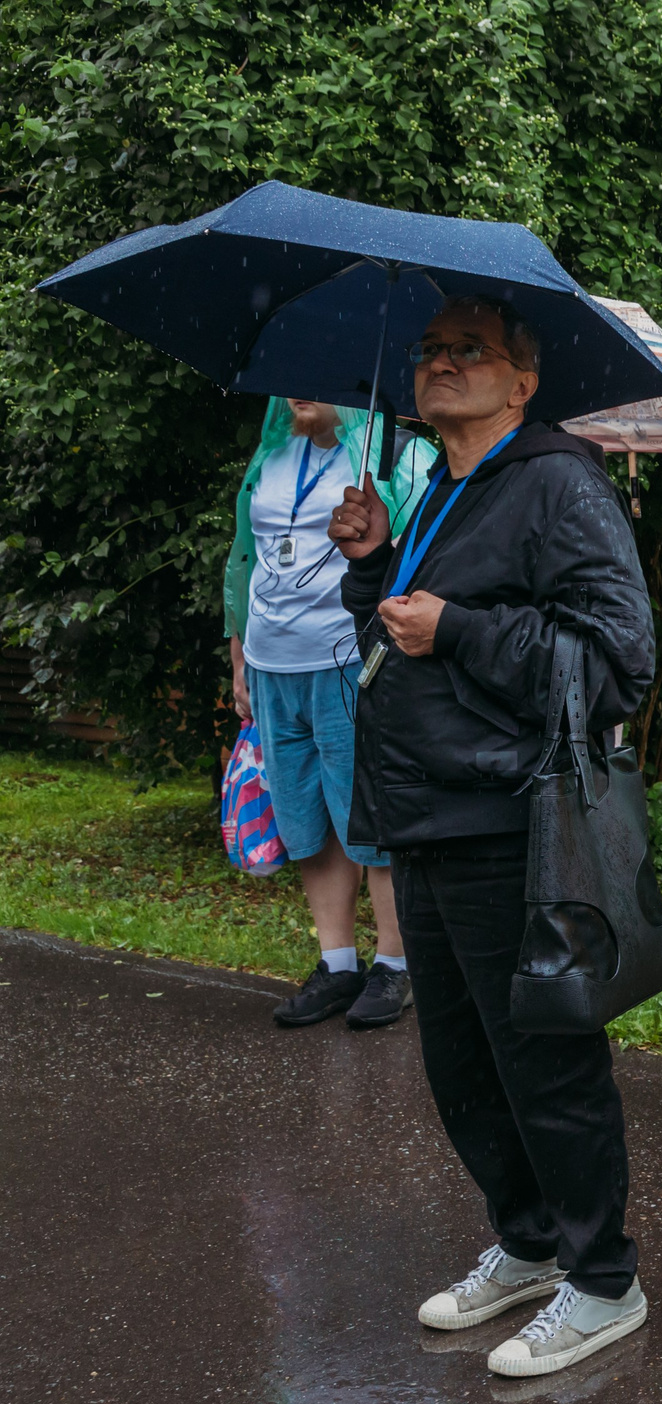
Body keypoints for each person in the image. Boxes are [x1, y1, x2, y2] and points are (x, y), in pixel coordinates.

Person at [327, 294, 658, 1380]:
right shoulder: (442, 489)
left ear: (523, 381)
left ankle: (603, 1280)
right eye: (429, 351)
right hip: (426, 816)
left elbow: (617, 662)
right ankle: (527, 1242)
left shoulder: (558, 483)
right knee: (460, 1064)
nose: (439, 365)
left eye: (469, 350)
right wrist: (376, 567)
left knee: (542, 1060)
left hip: (510, 821)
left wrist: (460, 628)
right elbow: (408, 637)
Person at [226, 396, 437, 1028]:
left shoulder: (394, 454)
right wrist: (239, 662)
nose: (302, 387)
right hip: (272, 666)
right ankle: (338, 962)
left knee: (366, 816)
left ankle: (394, 967)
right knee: (305, 818)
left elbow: (430, 552)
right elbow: (245, 560)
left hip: (352, 665)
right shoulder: (267, 458)